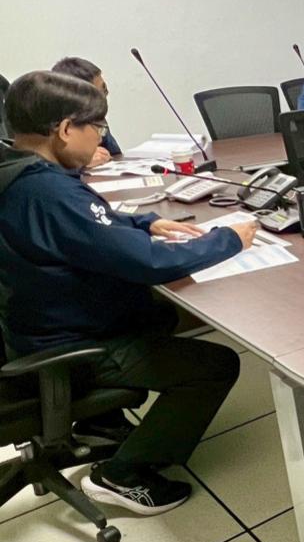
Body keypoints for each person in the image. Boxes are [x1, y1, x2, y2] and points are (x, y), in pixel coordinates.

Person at [0, 71, 258, 513]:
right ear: (66, 129)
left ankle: (101, 421)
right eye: (96, 126)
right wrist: (230, 239)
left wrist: (145, 222)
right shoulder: (48, 191)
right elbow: (149, 263)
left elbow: (87, 225)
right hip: (69, 346)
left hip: (33, 327)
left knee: (161, 314)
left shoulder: (18, 170)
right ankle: (124, 475)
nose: (101, 135)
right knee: (215, 365)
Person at [50, 57, 121, 167]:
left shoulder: (96, 119)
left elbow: (115, 155)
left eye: (104, 91)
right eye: (96, 95)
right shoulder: (49, 125)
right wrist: (79, 162)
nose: (103, 100)